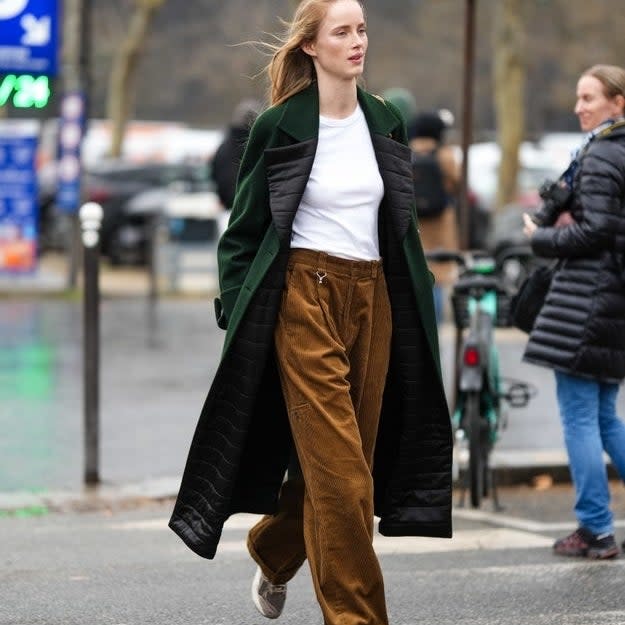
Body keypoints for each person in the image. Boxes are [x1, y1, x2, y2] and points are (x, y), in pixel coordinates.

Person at [168, 1, 453, 623]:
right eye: (343, 32)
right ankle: (357, 616)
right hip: (303, 295)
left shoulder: (386, 120)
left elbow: (397, 227)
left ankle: (273, 549)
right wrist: (238, 311)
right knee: (344, 479)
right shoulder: (280, 125)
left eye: (362, 30)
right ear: (310, 47)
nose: (358, 42)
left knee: (344, 468)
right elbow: (242, 232)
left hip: (374, 297)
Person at [522, 63, 625, 560]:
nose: (579, 107)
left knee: (581, 416)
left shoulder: (603, 154)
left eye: (589, 98)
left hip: (588, 299)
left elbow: (598, 229)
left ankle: (595, 528)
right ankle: (597, 525)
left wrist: (540, 237)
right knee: (605, 417)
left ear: (617, 104)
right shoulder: (617, 150)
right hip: (612, 299)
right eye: (578, 97)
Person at [408, 110, 460, 324]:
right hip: (440, 224)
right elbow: (457, 181)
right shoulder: (444, 154)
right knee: (438, 277)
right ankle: (435, 325)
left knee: (418, 271)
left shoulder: (407, 151)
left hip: (415, 221)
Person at [212, 98, 262, 210]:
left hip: (229, 208)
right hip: (246, 208)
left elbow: (214, 172)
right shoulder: (255, 145)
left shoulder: (224, 145)